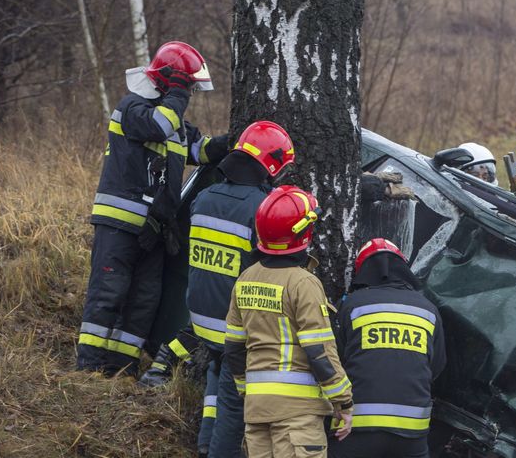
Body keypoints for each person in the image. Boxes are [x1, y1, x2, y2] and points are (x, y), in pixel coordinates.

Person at [138, 121, 296, 457]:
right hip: (234, 325)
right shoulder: (262, 208)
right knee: (234, 404)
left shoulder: (205, 198)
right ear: (270, 166)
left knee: (217, 366)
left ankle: (205, 441)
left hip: (199, 317)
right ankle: (218, 449)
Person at [76, 41, 229, 377]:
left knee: (143, 301)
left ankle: (120, 368)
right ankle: (87, 368)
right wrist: (177, 94)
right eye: (186, 85)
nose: (189, 93)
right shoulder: (132, 108)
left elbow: (201, 150)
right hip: (120, 224)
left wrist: (234, 141)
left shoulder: (173, 122)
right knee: (108, 293)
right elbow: (158, 126)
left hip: (153, 230)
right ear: (170, 81)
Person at [224, 186, 353, 458]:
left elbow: (234, 347)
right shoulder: (303, 283)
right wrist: (342, 400)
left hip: (256, 412)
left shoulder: (245, 279)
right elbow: (318, 351)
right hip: (297, 416)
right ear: (304, 232)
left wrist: (248, 391)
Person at [329, 238, 447, 458]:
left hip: (355, 428)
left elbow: (335, 360)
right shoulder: (428, 310)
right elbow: (437, 366)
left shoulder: (353, 305)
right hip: (412, 433)